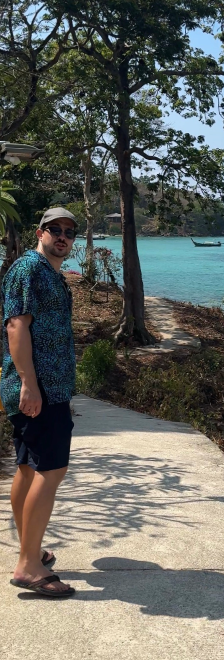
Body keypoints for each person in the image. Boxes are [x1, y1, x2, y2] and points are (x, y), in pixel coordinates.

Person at [3, 208, 78, 598]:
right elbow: (16, 325)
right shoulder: (29, 268)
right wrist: (29, 385)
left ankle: (29, 550)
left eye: (69, 232)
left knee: (28, 469)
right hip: (40, 390)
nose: (62, 236)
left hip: (47, 388)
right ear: (40, 232)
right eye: (55, 230)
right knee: (51, 469)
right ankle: (29, 566)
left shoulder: (48, 272)